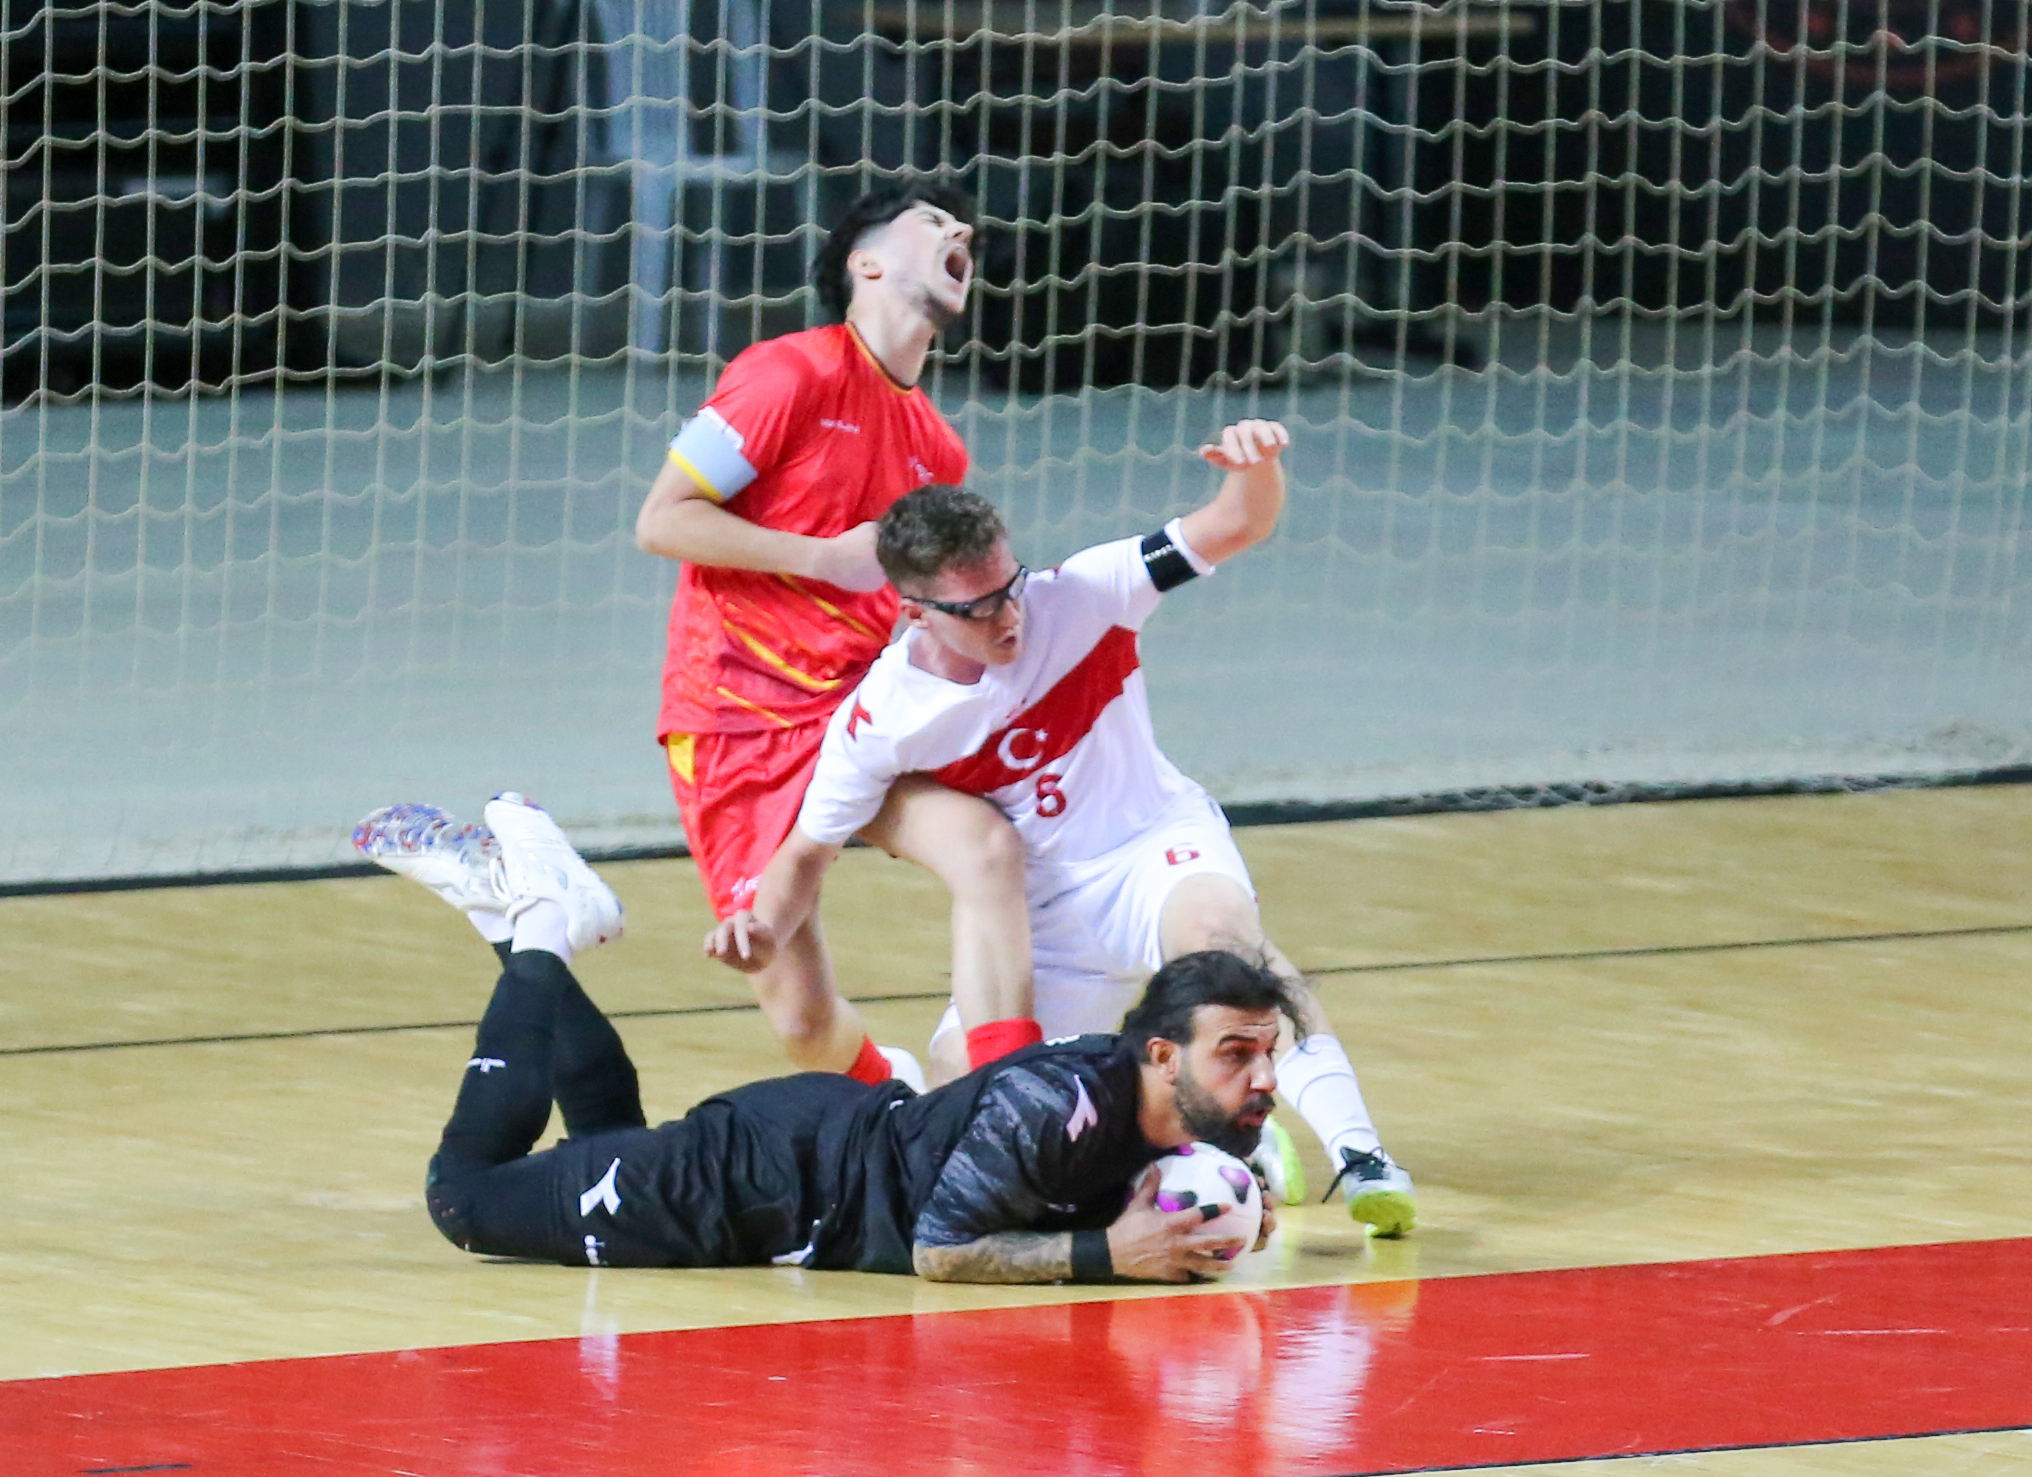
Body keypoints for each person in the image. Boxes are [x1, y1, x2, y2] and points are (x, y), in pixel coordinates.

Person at [704, 420, 1418, 1235]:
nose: (1009, 616)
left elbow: (1236, 523)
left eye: (1010, 587)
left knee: (1221, 951)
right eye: (977, 608)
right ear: (915, 611)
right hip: (1049, 910)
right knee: (960, 1087)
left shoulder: (1082, 593)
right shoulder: (882, 717)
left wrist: (1256, 471)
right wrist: (763, 929)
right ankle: (1223, 1152)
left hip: (1154, 847)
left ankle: (1361, 1157)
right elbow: (805, 851)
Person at [411, 793, 1294, 1282]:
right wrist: (1111, 1252)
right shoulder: (1049, 1104)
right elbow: (940, 1250)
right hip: (763, 1179)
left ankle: (518, 921)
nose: (1262, 1077)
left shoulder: (1162, 1117)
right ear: (1161, 1054)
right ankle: (537, 918)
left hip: (807, 1152)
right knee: (466, 1199)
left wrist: (1230, 1192)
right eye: (1235, 1052)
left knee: (607, 1145)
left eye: (1267, 1052)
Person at [632, 176, 1040, 1087]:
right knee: (803, 1017)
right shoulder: (789, 374)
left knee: (990, 847)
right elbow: (662, 521)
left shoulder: (938, 449)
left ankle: (1002, 1099)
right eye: (931, 220)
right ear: (866, 262)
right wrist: (822, 558)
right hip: (737, 715)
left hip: (860, 716)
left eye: (958, 220)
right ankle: (892, 1095)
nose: (958, 227)